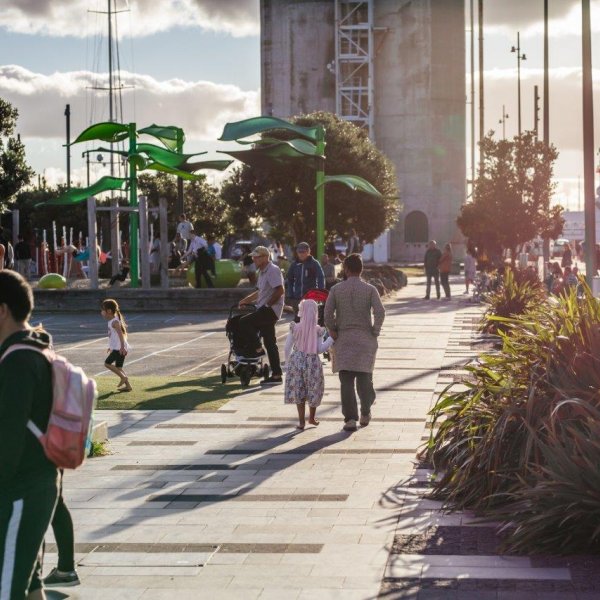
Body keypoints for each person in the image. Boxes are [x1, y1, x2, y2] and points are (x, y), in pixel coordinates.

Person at [0, 271, 59, 599]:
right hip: (36, 483)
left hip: (19, 490)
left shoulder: (19, 360)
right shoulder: (35, 348)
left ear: (2, 310)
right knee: (31, 585)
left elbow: (7, 434)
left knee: (7, 590)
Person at [324, 253, 385, 432]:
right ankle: (365, 411)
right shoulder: (370, 289)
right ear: (361, 269)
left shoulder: (336, 289)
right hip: (365, 340)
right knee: (365, 378)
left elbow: (327, 314)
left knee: (346, 381)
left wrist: (333, 330)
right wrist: (375, 331)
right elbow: (380, 312)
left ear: (346, 269)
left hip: (343, 340)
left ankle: (350, 419)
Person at [284, 299, 334, 429]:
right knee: (314, 389)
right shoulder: (318, 330)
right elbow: (319, 349)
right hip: (312, 362)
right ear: (316, 312)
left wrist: (287, 363)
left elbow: (287, 347)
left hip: (297, 360)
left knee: (299, 389)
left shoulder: (295, 327)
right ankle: (311, 418)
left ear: (302, 311)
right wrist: (330, 339)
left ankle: (301, 421)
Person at [238, 246, 285, 384]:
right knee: (270, 343)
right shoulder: (263, 272)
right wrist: (245, 300)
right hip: (266, 309)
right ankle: (276, 375)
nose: (253, 259)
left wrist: (267, 305)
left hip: (270, 310)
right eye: (253, 256)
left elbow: (280, 290)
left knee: (244, 322)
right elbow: (259, 292)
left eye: (256, 257)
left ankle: (257, 348)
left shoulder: (273, 270)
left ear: (265, 257)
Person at [101, 298, 131, 392]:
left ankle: (123, 378)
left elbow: (121, 335)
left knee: (107, 363)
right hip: (117, 347)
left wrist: (122, 347)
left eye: (102, 309)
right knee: (118, 367)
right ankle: (128, 386)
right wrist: (110, 347)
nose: (101, 312)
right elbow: (113, 337)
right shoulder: (111, 322)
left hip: (119, 348)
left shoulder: (114, 322)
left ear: (109, 311)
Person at [286, 242, 325, 313]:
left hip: (310, 298)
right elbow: (290, 279)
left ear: (308, 251)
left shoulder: (314, 263)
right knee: (298, 320)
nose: (301, 254)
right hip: (297, 298)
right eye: (299, 252)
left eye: (303, 251)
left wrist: (319, 293)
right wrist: (290, 294)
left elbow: (321, 278)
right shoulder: (294, 265)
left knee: (310, 320)